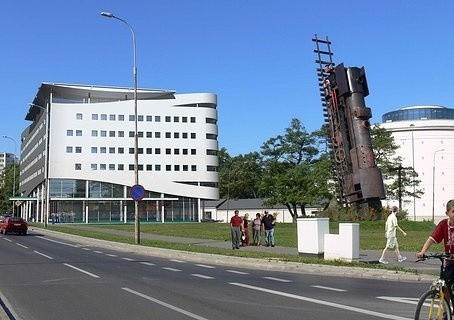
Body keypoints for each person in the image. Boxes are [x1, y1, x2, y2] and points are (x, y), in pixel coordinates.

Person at [417, 199, 454, 279]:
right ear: (447, 213)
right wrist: (422, 252)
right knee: (445, 284)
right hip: (449, 260)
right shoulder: (443, 224)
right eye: (453, 211)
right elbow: (431, 239)